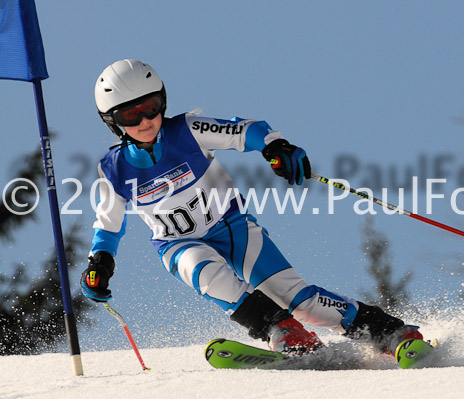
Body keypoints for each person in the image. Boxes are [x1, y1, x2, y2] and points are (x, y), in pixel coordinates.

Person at [81, 59, 423, 355]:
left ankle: (389, 333)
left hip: (234, 228)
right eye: (130, 114)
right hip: (177, 243)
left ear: (163, 102)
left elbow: (245, 131)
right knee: (208, 274)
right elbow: (108, 224)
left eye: (150, 107)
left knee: (301, 301)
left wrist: (277, 147)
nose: (144, 120)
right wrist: (100, 262)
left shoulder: (186, 131)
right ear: (112, 121)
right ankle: (284, 331)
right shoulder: (114, 170)